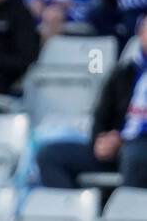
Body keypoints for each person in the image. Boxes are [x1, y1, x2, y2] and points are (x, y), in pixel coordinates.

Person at [37, 14, 147, 188]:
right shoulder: (124, 73)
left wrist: (122, 141)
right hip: (115, 149)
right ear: (140, 33)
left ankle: (126, 212)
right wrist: (100, 141)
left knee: (134, 155)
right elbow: (101, 115)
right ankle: (74, 211)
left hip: (138, 149)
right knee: (49, 155)